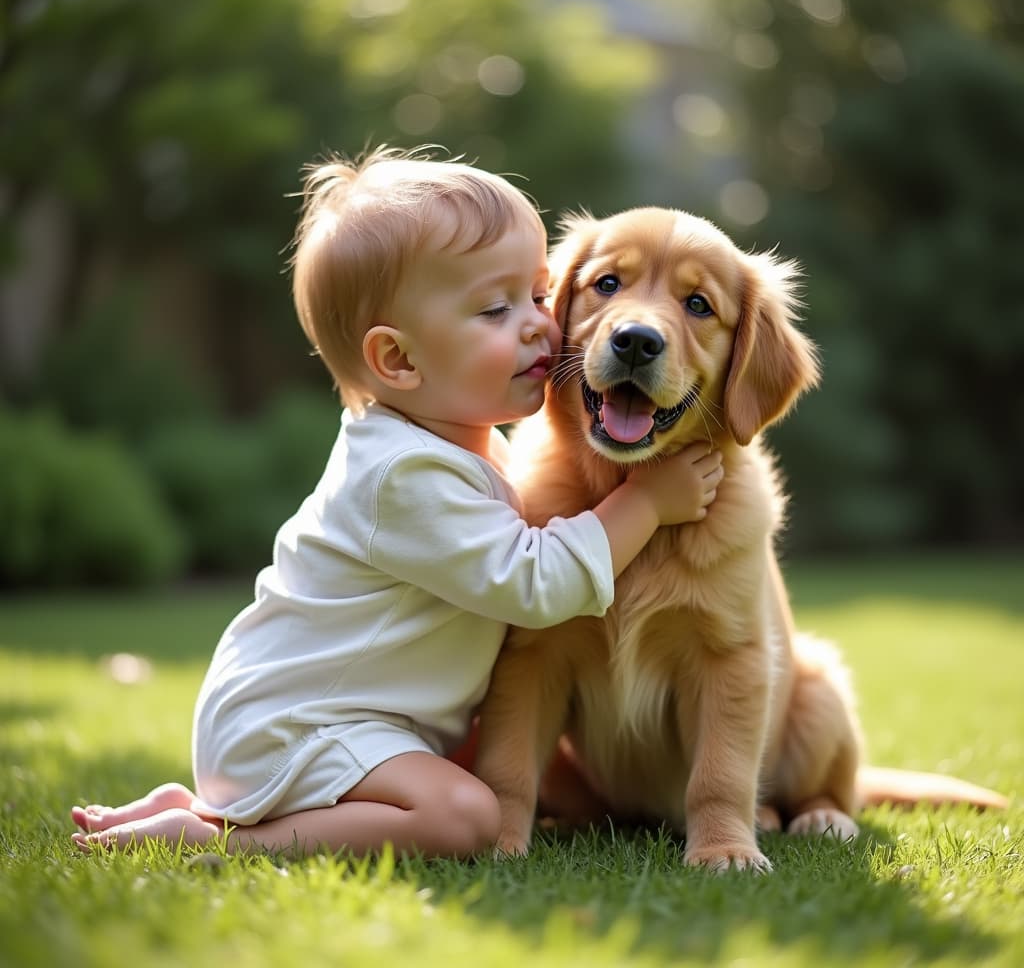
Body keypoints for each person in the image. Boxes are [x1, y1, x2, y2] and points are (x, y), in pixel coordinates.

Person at [70, 147, 723, 859]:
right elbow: (534, 584)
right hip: (299, 726)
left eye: (540, 294)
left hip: (349, 724)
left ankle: (204, 809)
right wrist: (647, 502)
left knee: (479, 781)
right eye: (497, 308)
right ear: (401, 361)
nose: (543, 325)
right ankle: (226, 837)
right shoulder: (402, 475)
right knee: (465, 819)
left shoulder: (468, 448)